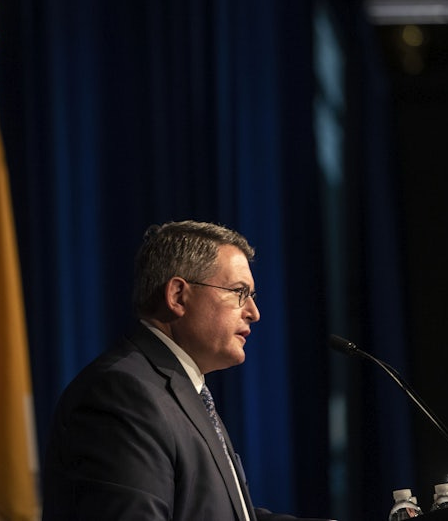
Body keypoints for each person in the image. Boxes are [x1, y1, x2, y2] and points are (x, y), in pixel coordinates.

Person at [42, 220, 333, 521]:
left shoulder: (182, 390)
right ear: (178, 296)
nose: (254, 313)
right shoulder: (122, 395)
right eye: (238, 292)